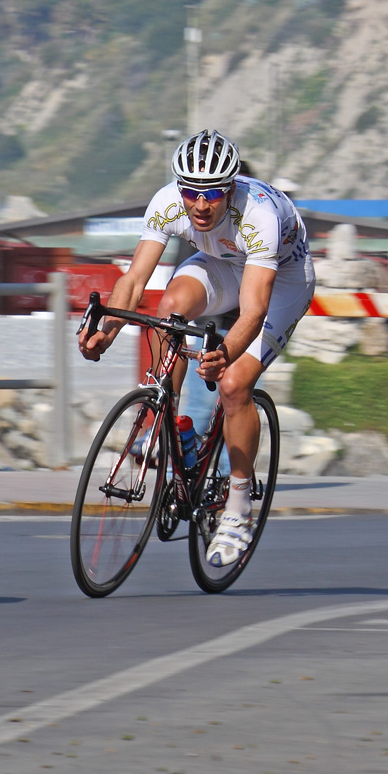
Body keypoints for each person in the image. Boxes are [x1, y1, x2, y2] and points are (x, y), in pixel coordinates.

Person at [78, 129, 314, 567]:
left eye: (212, 195)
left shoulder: (257, 213)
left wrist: (227, 356)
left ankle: (239, 508)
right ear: (179, 188)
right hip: (222, 264)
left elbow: (255, 308)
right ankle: (173, 424)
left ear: (230, 188)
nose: (201, 206)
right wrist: (108, 332)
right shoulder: (167, 201)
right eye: (192, 193)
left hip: (280, 279)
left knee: (234, 383)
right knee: (171, 306)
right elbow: (133, 281)